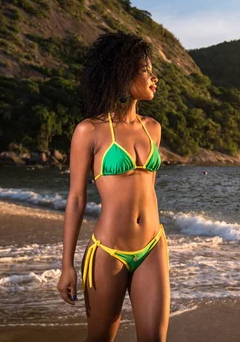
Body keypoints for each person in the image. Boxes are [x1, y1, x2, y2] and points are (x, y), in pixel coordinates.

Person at [57, 32, 169, 342]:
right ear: (122, 74)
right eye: (145, 69)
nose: (153, 77)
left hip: (153, 245)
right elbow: (77, 199)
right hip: (108, 251)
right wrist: (66, 266)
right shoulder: (88, 130)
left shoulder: (153, 129)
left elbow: (148, 191)